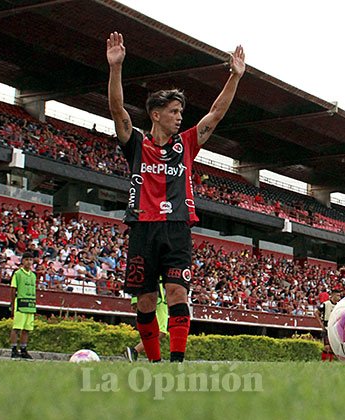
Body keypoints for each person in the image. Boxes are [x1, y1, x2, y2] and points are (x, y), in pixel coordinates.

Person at [106, 32, 245, 362]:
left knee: (177, 292)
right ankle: (154, 362)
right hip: (142, 227)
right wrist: (116, 68)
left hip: (177, 227)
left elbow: (216, 113)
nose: (180, 116)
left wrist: (234, 77)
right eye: (173, 111)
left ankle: (177, 364)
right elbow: (116, 109)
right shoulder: (137, 144)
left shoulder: (186, 145)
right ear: (156, 115)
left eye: (181, 111)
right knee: (145, 301)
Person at [125, 282, 168, 362]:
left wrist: (134, 299)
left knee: (154, 330)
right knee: (160, 331)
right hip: (159, 298)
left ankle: (152, 357)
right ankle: (135, 351)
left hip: (158, 296)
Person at [9, 252, 36, 359]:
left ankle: (24, 350)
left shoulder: (33, 275)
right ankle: (14, 349)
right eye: (26, 259)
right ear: (22, 261)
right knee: (16, 328)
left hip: (30, 305)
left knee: (26, 329)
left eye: (30, 259)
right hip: (20, 304)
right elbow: (13, 289)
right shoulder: (18, 274)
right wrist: (12, 304)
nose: (29, 262)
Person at [315, 288, 341, 361]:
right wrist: (321, 324)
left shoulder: (339, 305)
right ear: (332, 295)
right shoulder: (326, 304)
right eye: (337, 295)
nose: (339, 297)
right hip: (327, 326)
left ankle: (330, 362)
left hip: (335, 327)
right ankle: (324, 361)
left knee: (333, 347)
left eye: (339, 296)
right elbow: (316, 313)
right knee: (327, 347)